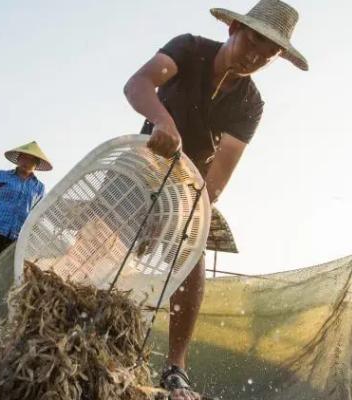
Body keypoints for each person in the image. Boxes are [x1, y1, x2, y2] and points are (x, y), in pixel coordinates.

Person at [123, 0, 307, 398]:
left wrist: (180, 215)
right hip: (142, 160)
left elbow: (218, 177)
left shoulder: (250, 104)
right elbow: (138, 84)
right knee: (105, 237)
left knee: (192, 254)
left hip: (190, 183)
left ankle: (175, 366)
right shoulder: (188, 49)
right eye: (252, 43)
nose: (254, 57)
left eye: (268, 54)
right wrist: (163, 120)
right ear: (233, 30)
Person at [0, 141, 51, 280]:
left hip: (14, 237)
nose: (26, 162)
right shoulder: (1, 176)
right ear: (18, 159)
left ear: (36, 164)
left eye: (31, 160)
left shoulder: (39, 187)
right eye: (24, 158)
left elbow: (36, 213)